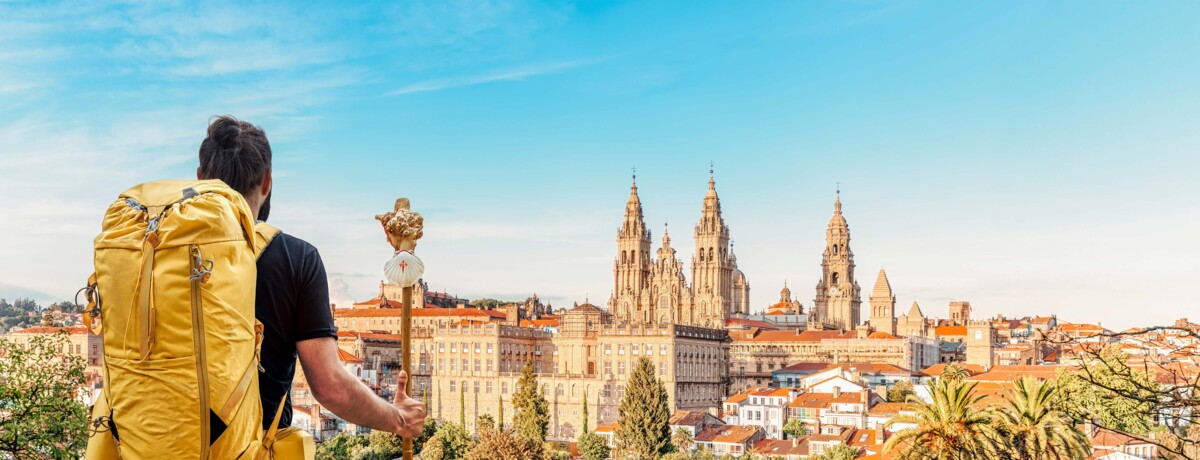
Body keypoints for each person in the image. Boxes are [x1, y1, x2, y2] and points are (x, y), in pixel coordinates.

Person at [196, 115, 425, 437]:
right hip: (243, 448)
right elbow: (330, 387)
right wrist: (399, 419)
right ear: (267, 181)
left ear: (200, 178)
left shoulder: (148, 252)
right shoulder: (294, 258)